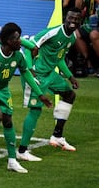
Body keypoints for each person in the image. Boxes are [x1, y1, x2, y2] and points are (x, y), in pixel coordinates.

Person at [0, 23, 52, 173]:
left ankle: (12, 160)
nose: (20, 41)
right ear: (8, 41)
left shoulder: (19, 55)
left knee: (8, 121)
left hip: (3, 91)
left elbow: (26, 73)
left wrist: (40, 94)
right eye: (17, 38)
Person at [18, 9, 82, 160]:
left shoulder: (72, 38)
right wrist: (29, 69)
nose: (73, 21)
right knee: (35, 109)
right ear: (65, 18)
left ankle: (57, 136)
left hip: (50, 74)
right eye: (70, 18)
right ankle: (22, 151)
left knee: (69, 94)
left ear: (80, 21)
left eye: (76, 19)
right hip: (36, 73)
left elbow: (58, 58)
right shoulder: (53, 33)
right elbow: (30, 46)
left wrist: (70, 76)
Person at [74, 0, 99, 75]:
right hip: (90, 24)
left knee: (94, 35)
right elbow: (77, 7)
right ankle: (88, 63)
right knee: (74, 33)